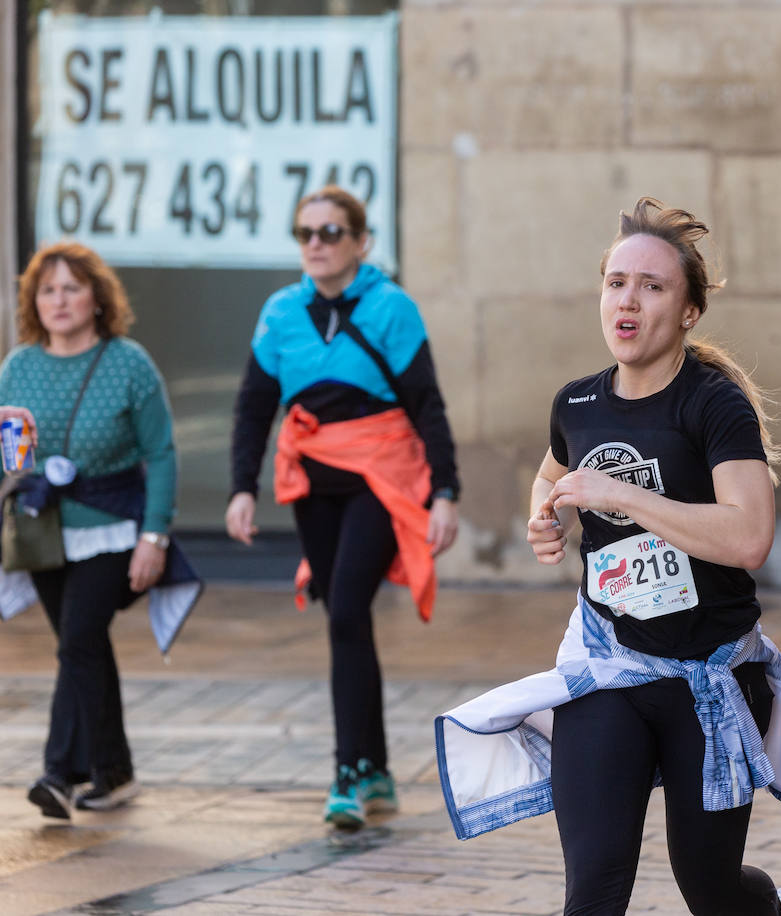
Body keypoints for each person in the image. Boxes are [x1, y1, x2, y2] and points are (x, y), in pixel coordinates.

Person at [432, 198, 781, 916]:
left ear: (687, 312)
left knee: (711, 889)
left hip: (710, 678)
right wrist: (543, 517)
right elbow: (553, 473)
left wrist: (624, 496)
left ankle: (777, 911)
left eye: (652, 286)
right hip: (608, 666)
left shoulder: (714, 407)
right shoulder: (579, 403)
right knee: (592, 889)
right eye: (617, 281)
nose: (628, 298)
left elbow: (749, 537)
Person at [226, 186, 460, 830]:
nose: (316, 245)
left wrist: (445, 492)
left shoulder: (392, 307)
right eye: (305, 233)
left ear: (361, 242)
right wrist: (241, 487)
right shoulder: (279, 312)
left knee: (349, 608)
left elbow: (426, 404)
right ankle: (377, 766)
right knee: (345, 619)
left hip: (382, 478)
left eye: (330, 233)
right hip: (314, 482)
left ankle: (347, 773)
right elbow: (252, 406)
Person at [0, 242, 186, 818]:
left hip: (115, 528)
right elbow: (9, 454)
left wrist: (154, 536)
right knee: (83, 648)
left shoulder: (129, 363)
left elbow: (162, 452)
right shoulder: (19, 366)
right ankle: (115, 769)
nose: (59, 300)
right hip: (44, 529)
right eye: (47, 290)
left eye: (72, 288)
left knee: (79, 639)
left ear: (97, 298)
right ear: (34, 301)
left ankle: (59, 773)